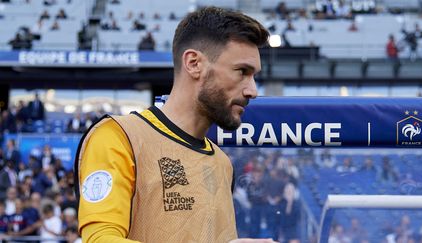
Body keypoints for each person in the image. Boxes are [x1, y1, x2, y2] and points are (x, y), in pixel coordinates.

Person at [76, 6, 274, 243]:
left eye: (254, 77)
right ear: (193, 63)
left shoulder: (222, 163)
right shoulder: (118, 137)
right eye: (242, 71)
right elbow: (100, 239)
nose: (252, 90)